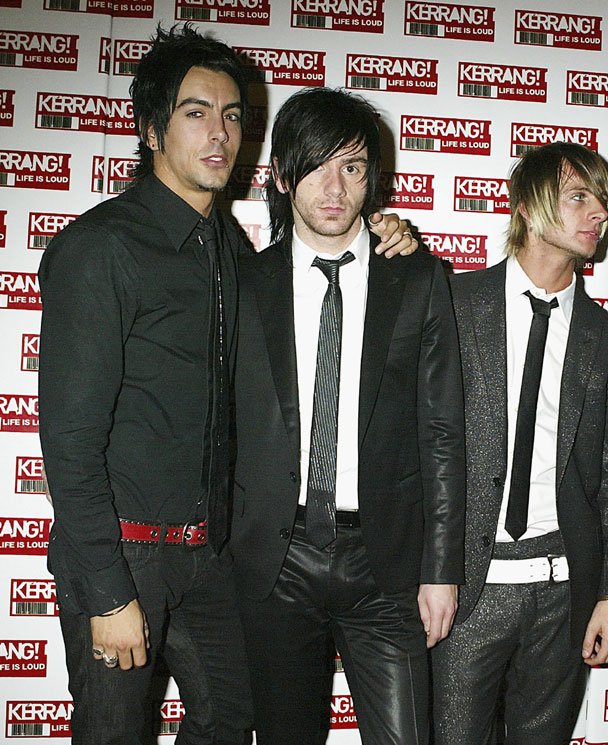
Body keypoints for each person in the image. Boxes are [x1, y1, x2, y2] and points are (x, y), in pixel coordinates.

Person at [38, 26, 411, 744]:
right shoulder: (101, 248)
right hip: (123, 552)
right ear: (152, 130)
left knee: (233, 718)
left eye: (233, 115)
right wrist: (108, 591)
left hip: (211, 557)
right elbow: (70, 439)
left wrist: (384, 238)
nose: (220, 132)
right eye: (196, 112)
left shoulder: (231, 249)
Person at [228, 87, 465, 745]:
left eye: (353, 167)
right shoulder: (244, 283)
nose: (335, 188)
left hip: (385, 563)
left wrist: (440, 568)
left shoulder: (418, 279)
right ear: (282, 175)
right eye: (316, 166)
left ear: (372, 179)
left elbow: (443, 433)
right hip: (275, 561)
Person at [432, 142, 608, 745]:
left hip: (562, 590)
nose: (598, 213)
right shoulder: (452, 305)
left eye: (603, 201)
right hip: (463, 588)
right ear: (526, 206)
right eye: (578, 197)